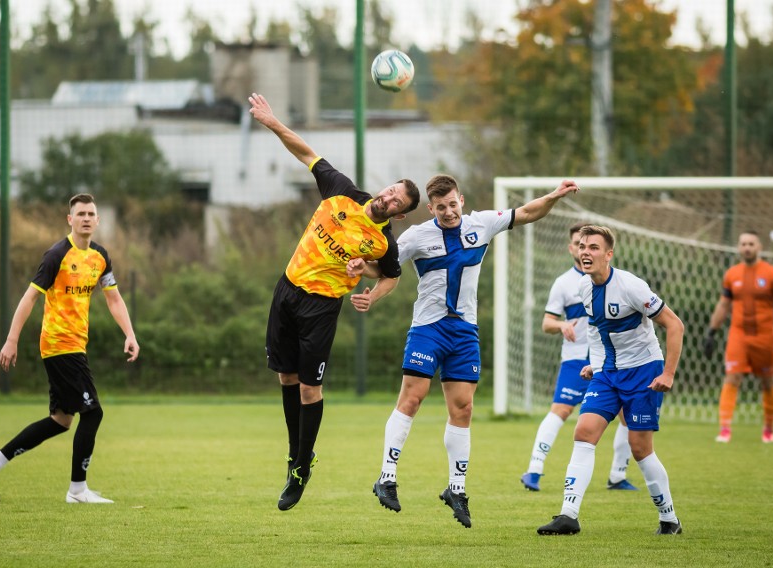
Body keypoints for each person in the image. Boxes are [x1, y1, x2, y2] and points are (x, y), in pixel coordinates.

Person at [349, 174, 579, 528]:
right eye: (440, 207)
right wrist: (359, 269)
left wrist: (556, 195)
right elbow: (384, 268)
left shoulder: (482, 224)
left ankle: (456, 488)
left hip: (464, 332)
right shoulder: (415, 236)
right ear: (431, 208)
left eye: (452, 204)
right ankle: (387, 476)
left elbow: (529, 212)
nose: (448, 211)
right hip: (428, 328)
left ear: (462, 200)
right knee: (413, 397)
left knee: (464, 407)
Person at [247, 93, 420, 511]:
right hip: (287, 290)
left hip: (321, 307)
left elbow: (392, 275)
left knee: (310, 388)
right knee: (285, 379)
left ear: (399, 214)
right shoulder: (342, 192)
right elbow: (305, 151)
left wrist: (371, 291)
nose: (389, 197)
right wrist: (271, 121)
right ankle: (297, 454)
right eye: (391, 189)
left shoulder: (383, 242)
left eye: (398, 201)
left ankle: (301, 467)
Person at [0, 193, 139, 504]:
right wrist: (11, 340)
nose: (87, 218)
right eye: (81, 214)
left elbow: (114, 298)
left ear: (98, 219)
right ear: (70, 219)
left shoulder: (101, 256)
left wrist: (129, 333)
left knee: (62, 421)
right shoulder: (56, 255)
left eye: (91, 213)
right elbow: (30, 297)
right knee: (92, 414)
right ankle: (77, 490)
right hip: (58, 343)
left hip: (76, 345)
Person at [537, 225, 684, 536]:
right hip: (608, 374)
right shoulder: (584, 288)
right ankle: (568, 515)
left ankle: (669, 518)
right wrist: (596, 364)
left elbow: (674, 325)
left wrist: (668, 373)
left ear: (608, 254)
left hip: (644, 372)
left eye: (593, 247)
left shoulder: (631, 286)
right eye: (582, 247)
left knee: (640, 448)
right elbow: (598, 331)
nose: (585, 252)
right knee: (584, 431)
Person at [520, 222, 638, 492]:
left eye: (589, 245)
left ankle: (618, 475)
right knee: (560, 409)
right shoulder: (563, 283)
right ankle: (534, 470)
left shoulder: (614, 280)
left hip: (610, 360)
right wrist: (562, 325)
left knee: (627, 415)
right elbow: (547, 323)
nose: (582, 249)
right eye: (578, 243)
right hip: (576, 358)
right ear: (571, 247)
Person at [703, 231, 773, 443]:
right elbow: (724, 305)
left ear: (759, 246)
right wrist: (711, 332)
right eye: (743, 244)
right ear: (739, 247)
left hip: (765, 337)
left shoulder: (772, 274)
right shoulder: (732, 274)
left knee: (767, 381)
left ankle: (769, 429)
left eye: (751, 243)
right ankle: (725, 429)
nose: (747, 247)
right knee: (732, 377)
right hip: (739, 335)